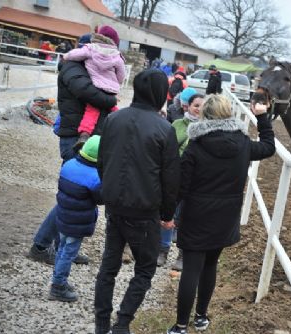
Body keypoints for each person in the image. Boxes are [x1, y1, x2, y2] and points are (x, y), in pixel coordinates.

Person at [167, 95, 275, 334]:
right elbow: (268, 147)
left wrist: (167, 213)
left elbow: (180, 186)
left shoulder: (196, 145)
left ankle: (181, 326)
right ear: (229, 114)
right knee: (210, 265)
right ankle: (201, 318)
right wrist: (262, 117)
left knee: (191, 269)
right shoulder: (243, 143)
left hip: (196, 215)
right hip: (226, 216)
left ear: (204, 115)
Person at [94, 68, 181, 334]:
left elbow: (102, 161)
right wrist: (168, 214)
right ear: (159, 94)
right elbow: (170, 178)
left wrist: (109, 191)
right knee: (144, 269)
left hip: (115, 206)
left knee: (108, 267)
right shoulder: (165, 129)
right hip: (144, 211)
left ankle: (101, 324)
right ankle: (121, 324)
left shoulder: (113, 120)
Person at [27, 33, 117, 266]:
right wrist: (110, 100)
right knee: (74, 196)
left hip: (85, 137)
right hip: (75, 138)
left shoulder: (85, 67)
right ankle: (41, 245)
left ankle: (63, 247)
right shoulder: (71, 67)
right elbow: (90, 94)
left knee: (77, 197)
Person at [49, 136, 102, 302]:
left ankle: (58, 279)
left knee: (61, 249)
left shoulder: (69, 164)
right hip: (77, 223)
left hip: (63, 216)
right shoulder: (95, 177)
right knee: (68, 254)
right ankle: (58, 286)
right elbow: (100, 199)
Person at [157, 93, 205, 269]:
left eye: (202, 106)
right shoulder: (177, 125)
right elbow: (167, 150)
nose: (199, 109)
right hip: (174, 179)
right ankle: (162, 250)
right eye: (196, 105)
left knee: (187, 218)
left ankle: (182, 255)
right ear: (188, 106)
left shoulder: (208, 128)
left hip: (196, 182)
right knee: (168, 214)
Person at [63, 25, 125, 152]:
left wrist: (66, 56)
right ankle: (123, 126)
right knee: (112, 109)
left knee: (92, 111)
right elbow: (121, 74)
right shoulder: (116, 55)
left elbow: (76, 54)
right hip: (111, 88)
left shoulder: (90, 49)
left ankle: (84, 134)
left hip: (97, 85)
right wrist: (115, 84)